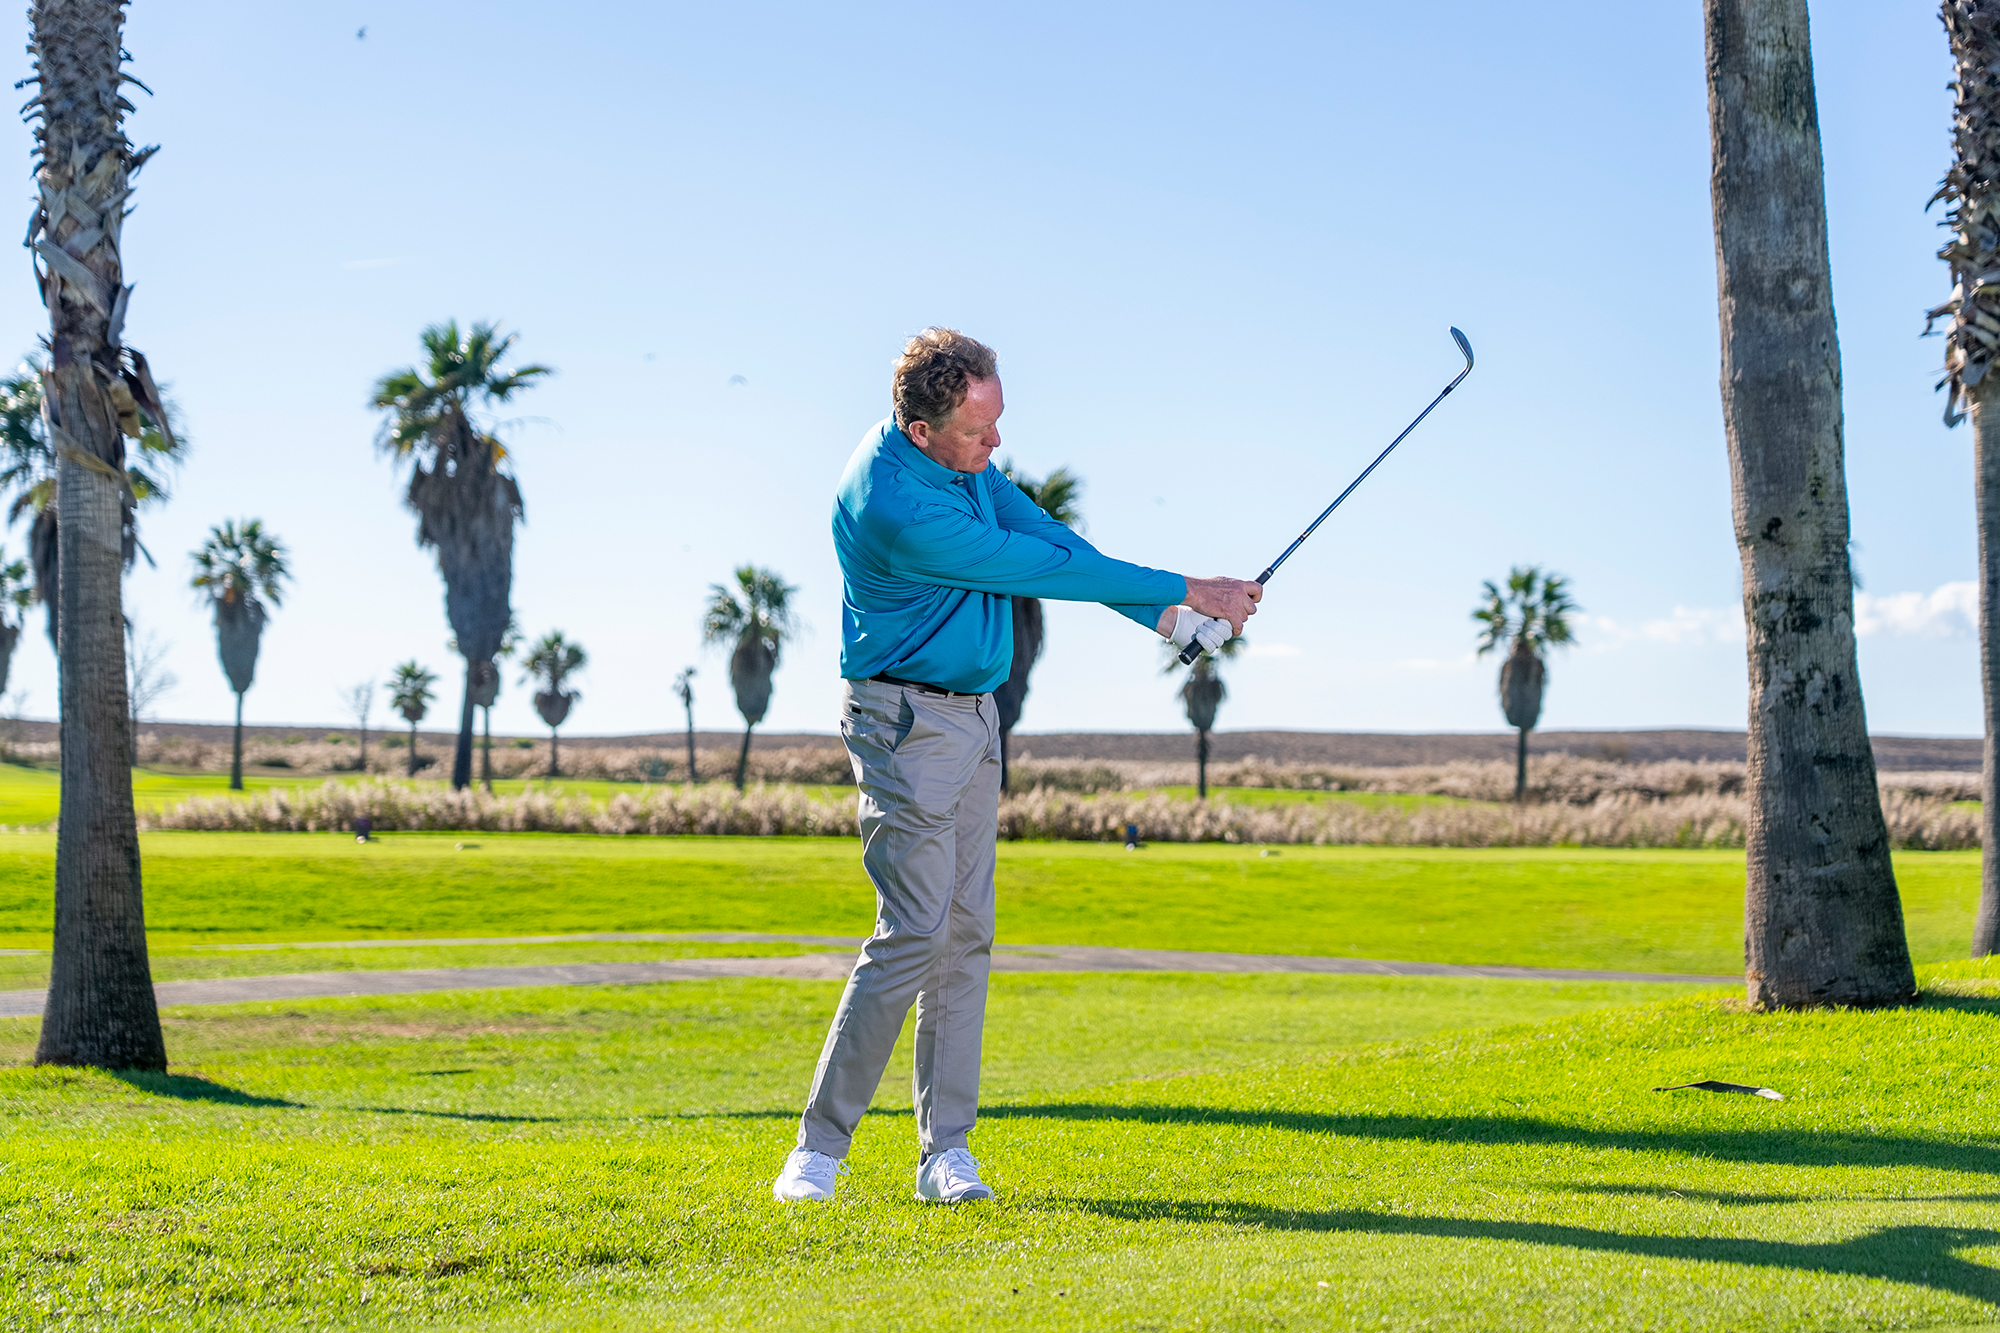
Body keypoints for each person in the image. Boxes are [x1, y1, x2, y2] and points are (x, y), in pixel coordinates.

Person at [772, 328, 1261, 1205]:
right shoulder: (897, 504)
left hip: (975, 722)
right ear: (921, 428)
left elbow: (1047, 537)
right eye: (977, 429)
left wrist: (1165, 622)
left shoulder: (964, 469)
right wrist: (1193, 589)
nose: (995, 446)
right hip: (904, 724)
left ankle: (945, 1154)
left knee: (965, 936)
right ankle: (817, 1151)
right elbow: (1030, 566)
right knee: (915, 931)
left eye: (997, 423)